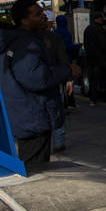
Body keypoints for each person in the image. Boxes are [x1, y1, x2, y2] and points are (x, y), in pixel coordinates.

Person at [0, 0, 80, 172]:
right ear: (24, 21)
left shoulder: (19, 41)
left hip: (28, 114)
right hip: (33, 116)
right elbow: (36, 78)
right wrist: (66, 71)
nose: (43, 17)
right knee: (35, 168)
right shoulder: (26, 44)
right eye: (37, 14)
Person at [40, 11, 72, 151]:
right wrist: (68, 78)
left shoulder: (30, 39)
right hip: (54, 79)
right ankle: (58, 141)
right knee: (57, 110)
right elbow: (63, 59)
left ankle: (45, 141)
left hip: (38, 81)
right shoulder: (55, 37)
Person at [82, 8, 106, 105]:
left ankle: (92, 98)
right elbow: (104, 44)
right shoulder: (100, 30)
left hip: (90, 58)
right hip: (100, 58)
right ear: (99, 19)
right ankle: (95, 98)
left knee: (92, 79)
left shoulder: (87, 29)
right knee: (97, 78)